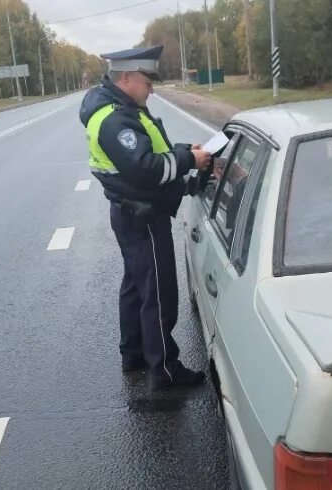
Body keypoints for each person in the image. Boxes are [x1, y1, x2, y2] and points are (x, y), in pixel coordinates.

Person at [78, 44, 212, 390]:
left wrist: (185, 153)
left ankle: (134, 353)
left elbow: (152, 151)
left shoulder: (120, 107)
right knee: (157, 293)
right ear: (125, 78)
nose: (151, 89)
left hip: (131, 213)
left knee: (137, 288)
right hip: (143, 216)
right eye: (146, 81)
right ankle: (165, 370)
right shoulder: (114, 118)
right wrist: (189, 162)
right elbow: (144, 168)